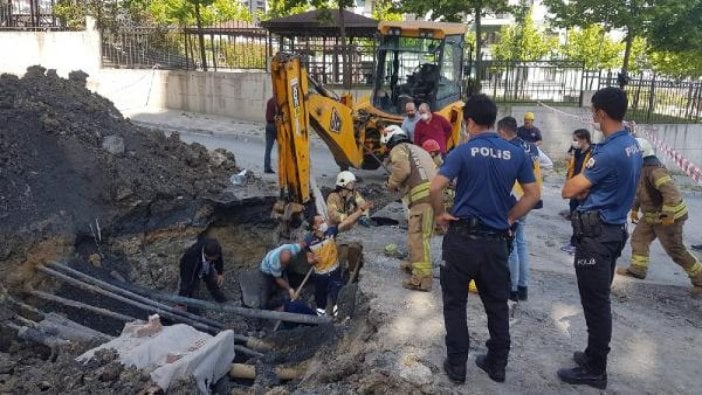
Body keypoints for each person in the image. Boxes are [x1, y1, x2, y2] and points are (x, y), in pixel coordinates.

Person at [429, 95, 540, 384]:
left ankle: (457, 367)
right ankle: (497, 364)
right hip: (495, 243)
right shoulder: (517, 153)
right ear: (493, 121)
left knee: (455, 303)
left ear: (469, 122)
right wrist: (510, 218)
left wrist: (441, 214)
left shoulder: (463, 151)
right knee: (496, 304)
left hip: (462, 239)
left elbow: (435, 187)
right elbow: (533, 195)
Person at [559, 87, 643, 390]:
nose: (591, 116)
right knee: (597, 299)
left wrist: (583, 187)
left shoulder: (608, 152)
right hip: (613, 229)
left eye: (593, 111)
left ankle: (596, 369)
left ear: (601, 113)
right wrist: (589, 188)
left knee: (596, 303)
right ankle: (592, 354)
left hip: (597, 234)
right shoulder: (631, 144)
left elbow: (569, 190)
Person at [616, 138, 702, 295]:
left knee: (676, 250)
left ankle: (700, 279)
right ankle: (637, 270)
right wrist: (635, 209)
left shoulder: (655, 170)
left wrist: (667, 217)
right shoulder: (641, 169)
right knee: (639, 238)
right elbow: (640, 192)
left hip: (668, 216)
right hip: (651, 215)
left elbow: (672, 194)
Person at [382, 126, 437, 291]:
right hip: (433, 199)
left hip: (421, 200)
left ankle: (421, 279)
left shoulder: (399, 148)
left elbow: (403, 169)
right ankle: (415, 264)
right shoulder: (417, 149)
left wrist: (391, 184)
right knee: (419, 236)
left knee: (418, 238)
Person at [496, 116, 542, 302]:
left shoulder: (509, 149)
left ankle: (512, 289)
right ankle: (523, 287)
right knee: (521, 242)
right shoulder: (530, 146)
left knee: (511, 244)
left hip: (515, 198)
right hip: (531, 198)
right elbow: (546, 164)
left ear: (501, 132)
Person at [561, 129, 593, 254]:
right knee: (574, 215)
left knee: (581, 217)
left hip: (583, 189)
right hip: (575, 187)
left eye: (576, 139)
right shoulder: (578, 151)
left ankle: (578, 244)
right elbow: (569, 160)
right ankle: (575, 242)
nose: (574, 142)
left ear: (584, 139)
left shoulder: (592, 153)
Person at [305, 214, 344, 316]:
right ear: (314, 226)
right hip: (320, 276)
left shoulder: (330, 232)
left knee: (338, 296)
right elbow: (309, 259)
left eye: (324, 220)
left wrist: (360, 210)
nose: (324, 223)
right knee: (320, 300)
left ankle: (338, 318)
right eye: (321, 222)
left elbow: (347, 222)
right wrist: (314, 260)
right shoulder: (309, 240)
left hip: (334, 272)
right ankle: (322, 322)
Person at [178, 238, 227, 311]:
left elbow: (219, 259)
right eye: (214, 258)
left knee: (212, 281)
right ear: (208, 256)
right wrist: (181, 303)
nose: (216, 259)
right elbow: (186, 280)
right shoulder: (191, 257)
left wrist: (220, 273)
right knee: (193, 290)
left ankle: (222, 301)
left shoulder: (215, 247)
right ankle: (193, 314)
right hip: (192, 269)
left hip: (205, 265)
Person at [258, 242, 305, 310]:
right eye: (282, 263)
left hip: (279, 270)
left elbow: (303, 243)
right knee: (264, 300)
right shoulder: (274, 262)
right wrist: (290, 289)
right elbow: (278, 279)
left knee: (285, 291)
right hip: (266, 271)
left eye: (285, 263)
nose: (284, 265)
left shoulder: (292, 249)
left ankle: (283, 298)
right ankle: (263, 312)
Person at [264, 96, 278, 174]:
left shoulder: (270, 101)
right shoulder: (278, 102)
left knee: (268, 149)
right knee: (283, 148)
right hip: (276, 126)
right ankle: (284, 168)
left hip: (268, 125)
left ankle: (267, 167)